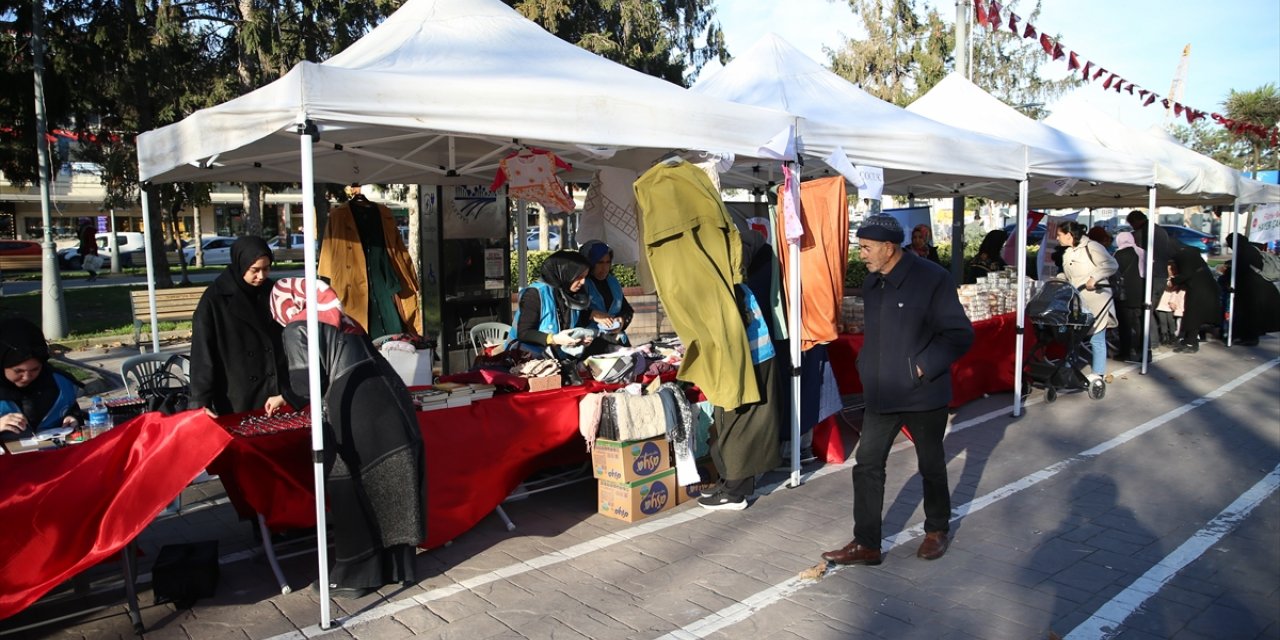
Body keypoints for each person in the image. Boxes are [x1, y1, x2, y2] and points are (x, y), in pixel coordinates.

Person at [822, 215, 973, 566]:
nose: (861, 255)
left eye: (866, 248)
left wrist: (920, 367)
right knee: (867, 464)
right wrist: (866, 368)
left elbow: (959, 335)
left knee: (931, 463)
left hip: (923, 394)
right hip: (880, 394)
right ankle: (867, 544)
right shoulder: (875, 283)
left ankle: (936, 529)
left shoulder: (933, 278)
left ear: (889, 248)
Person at [269, 278, 426, 598]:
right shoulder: (343, 317)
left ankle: (357, 577)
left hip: (355, 412)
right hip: (390, 402)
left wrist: (284, 397)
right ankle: (398, 570)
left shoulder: (298, 326)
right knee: (389, 487)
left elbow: (306, 383)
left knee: (351, 492)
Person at [189, 236, 290, 417]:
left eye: (266, 269)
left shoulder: (274, 291)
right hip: (237, 394)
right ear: (241, 265)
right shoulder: (215, 299)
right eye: (255, 270)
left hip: (274, 390)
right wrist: (200, 402)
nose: (261, 276)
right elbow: (202, 353)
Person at [0, 317, 85, 442]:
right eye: (18, 371)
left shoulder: (58, 385)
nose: (27, 377)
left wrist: (73, 419)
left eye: (35, 369)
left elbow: (74, 411)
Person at [1056, 221, 1118, 382]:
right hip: (1078, 300)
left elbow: (1112, 264)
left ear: (1069, 235)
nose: (1057, 238)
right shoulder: (1068, 252)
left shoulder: (1093, 246)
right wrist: (1057, 279)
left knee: (1096, 336)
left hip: (1097, 299)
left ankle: (1098, 374)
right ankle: (1070, 368)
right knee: (1074, 336)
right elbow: (1070, 276)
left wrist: (1095, 277)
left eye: (1059, 235)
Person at [508, 250, 595, 357]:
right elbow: (524, 333)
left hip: (556, 359)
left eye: (585, 277)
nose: (583, 282)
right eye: (579, 277)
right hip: (523, 359)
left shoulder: (573, 295)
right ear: (564, 273)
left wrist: (578, 339)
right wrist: (553, 339)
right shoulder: (535, 294)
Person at [1221, 233, 1280, 346]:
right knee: (1256, 312)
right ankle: (1255, 333)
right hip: (1261, 286)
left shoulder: (1243, 251)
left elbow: (1240, 268)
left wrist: (1226, 277)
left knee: (1249, 313)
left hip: (1251, 287)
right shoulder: (1251, 248)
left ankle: (1250, 338)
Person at [1127, 210, 1175, 346]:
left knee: (1145, 309)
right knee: (1149, 309)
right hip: (1161, 274)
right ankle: (1152, 341)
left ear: (1136, 221)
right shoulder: (1160, 230)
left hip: (1152, 275)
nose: (1132, 227)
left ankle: (1151, 342)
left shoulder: (1143, 233)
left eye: (1132, 224)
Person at [579, 240, 633, 351]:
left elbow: (626, 310)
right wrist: (591, 314)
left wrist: (621, 320)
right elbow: (570, 314)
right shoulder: (580, 284)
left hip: (617, 341)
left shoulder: (612, 282)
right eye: (599, 263)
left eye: (608, 262)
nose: (604, 268)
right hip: (589, 344)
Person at [1168, 246, 1222, 353]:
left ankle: (1191, 343)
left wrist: (1173, 281)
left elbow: (1186, 274)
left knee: (1193, 317)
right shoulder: (1195, 259)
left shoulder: (1183, 258)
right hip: (1204, 290)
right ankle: (1188, 340)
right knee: (1192, 317)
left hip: (1198, 292)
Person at [1112, 231, 1148, 362]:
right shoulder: (1142, 252)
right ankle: (1143, 351)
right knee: (1139, 324)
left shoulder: (1118, 254)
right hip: (1141, 292)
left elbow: (1114, 272)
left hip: (1124, 293)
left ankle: (1125, 352)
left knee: (1125, 325)